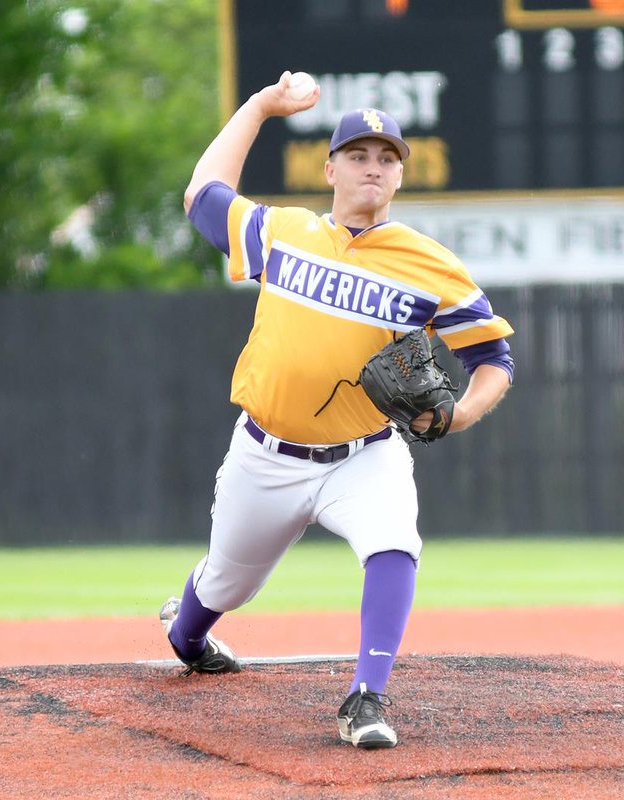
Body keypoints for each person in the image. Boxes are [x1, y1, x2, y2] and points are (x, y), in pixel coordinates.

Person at [159, 71, 515, 749]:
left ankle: (365, 697)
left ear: (400, 177)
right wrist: (261, 107)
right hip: (266, 454)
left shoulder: (430, 265)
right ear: (330, 168)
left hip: (365, 453)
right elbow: (202, 195)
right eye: (358, 155)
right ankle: (188, 633)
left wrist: (463, 414)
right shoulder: (283, 233)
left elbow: (494, 358)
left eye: (387, 158)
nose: (373, 167)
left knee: (393, 544)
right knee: (225, 583)